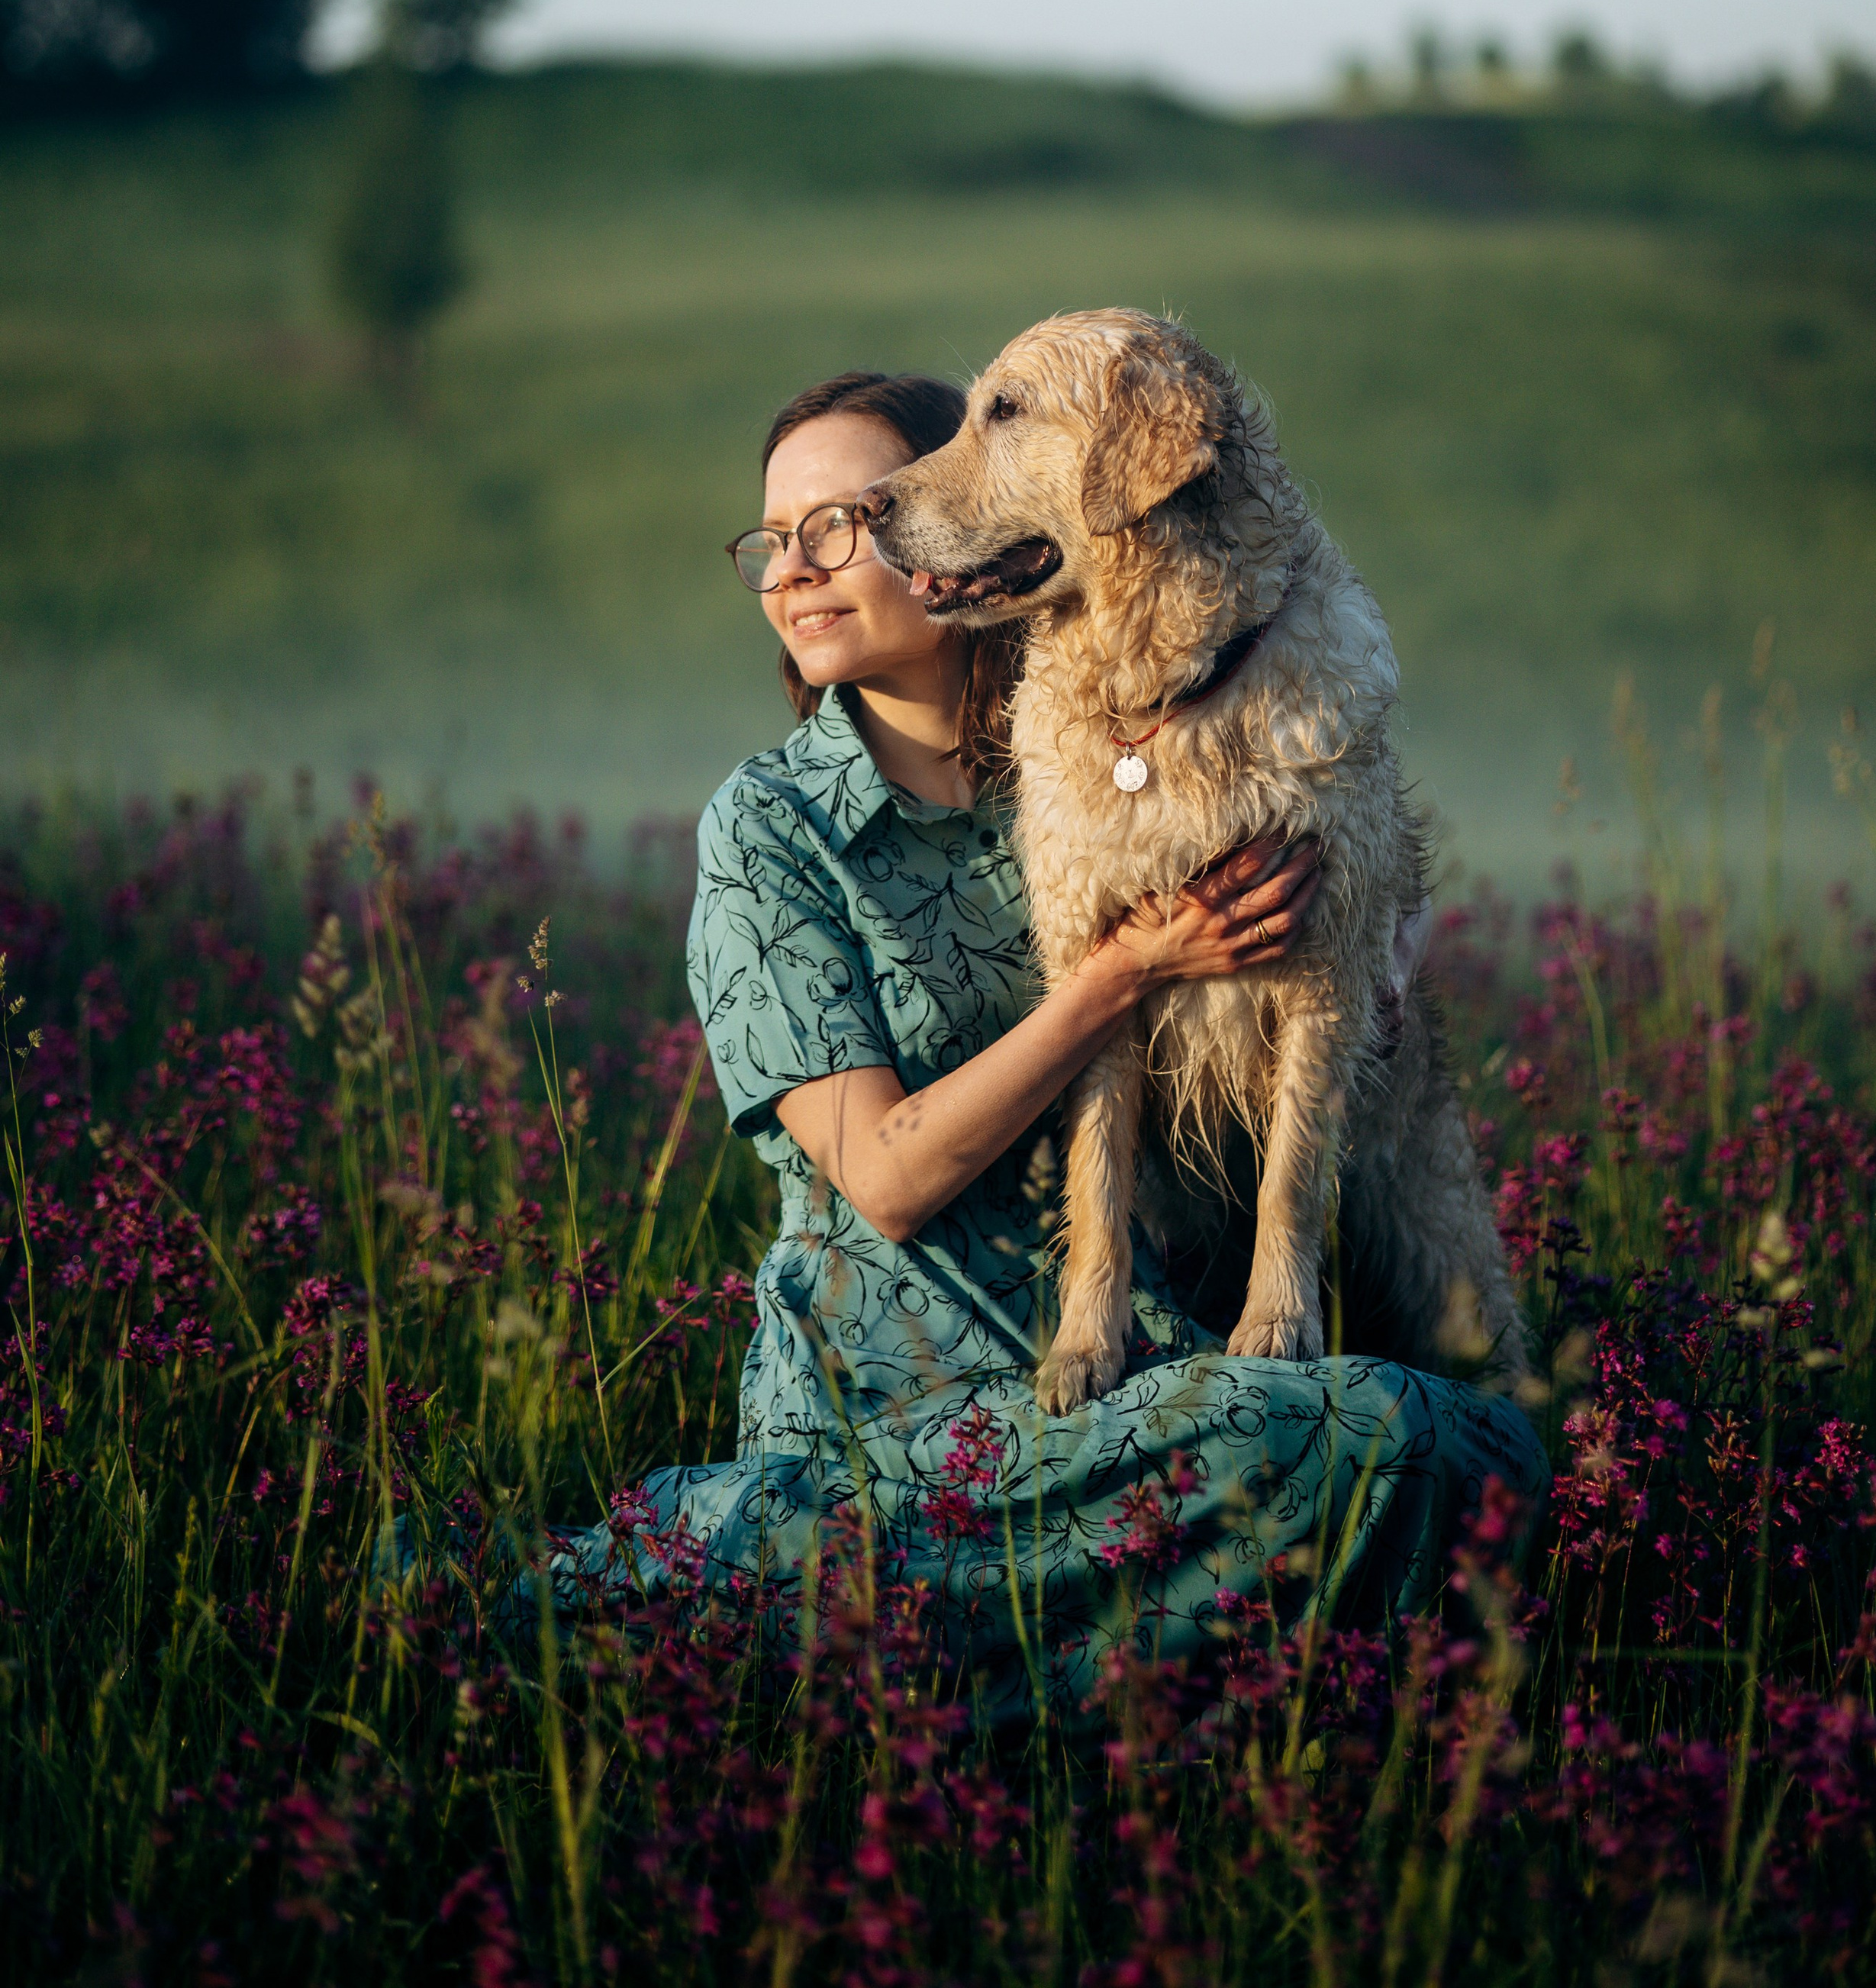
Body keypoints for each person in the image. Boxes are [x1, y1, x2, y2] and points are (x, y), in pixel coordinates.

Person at [544, 369, 1545, 1714]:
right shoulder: (769, 834)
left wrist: (1358, 955)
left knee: (1484, 1449)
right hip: (903, 1395)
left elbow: (1318, 923)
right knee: (1331, 1436)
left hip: (1148, 1350)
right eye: (777, 540)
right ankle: (901, 1644)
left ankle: (1207, 1720)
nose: (801, 569)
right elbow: (887, 1177)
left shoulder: (1108, 757)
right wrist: (1124, 975)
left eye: (849, 521)